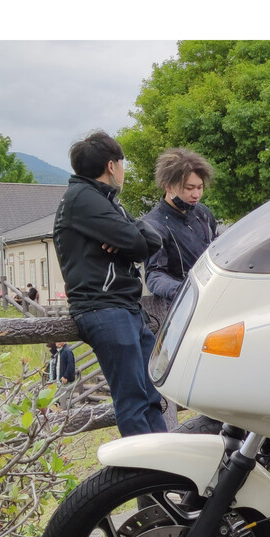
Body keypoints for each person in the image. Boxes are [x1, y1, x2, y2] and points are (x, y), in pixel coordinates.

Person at [52, 130, 167, 436]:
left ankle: (164, 462)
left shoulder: (104, 200)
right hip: (103, 307)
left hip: (125, 307)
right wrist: (128, 239)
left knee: (152, 394)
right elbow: (138, 243)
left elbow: (152, 239)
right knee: (133, 399)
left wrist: (126, 238)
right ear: (112, 165)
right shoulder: (83, 199)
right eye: (122, 163)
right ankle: (142, 465)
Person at [142, 148, 218, 303]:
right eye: (189, 188)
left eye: (200, 187)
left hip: (213, 294)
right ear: (168, 187)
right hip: (182, 303)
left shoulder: (203, 212)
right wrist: (184, 291)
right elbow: (154, 275)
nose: (196, 195)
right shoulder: (154, 224)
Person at [48, 340, 76, 409]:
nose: (57, 343)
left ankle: (72, 410)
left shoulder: (67, 351)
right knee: (58, 399)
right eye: (56, 341)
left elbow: (70, 365)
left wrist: (66, 376)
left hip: (65, 380)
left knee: (66, 399)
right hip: (59, 379)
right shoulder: (60, 351)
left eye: (59, 341)